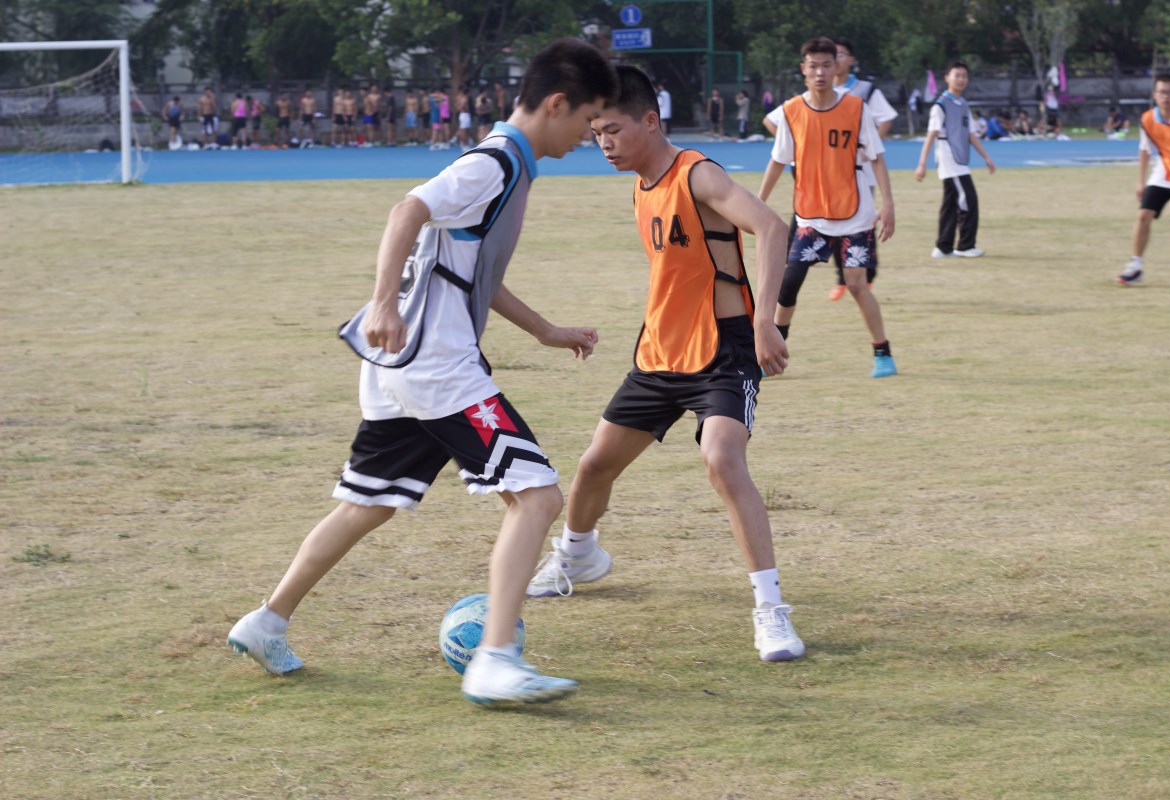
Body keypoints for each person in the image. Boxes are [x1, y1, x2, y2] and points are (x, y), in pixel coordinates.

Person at [226, 39, 618, 706]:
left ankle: (266, 622)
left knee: (370, 501)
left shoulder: (506, 166)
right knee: (538, 497)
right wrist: (382, 302)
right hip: (437, 366)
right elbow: (407, 209)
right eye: (588, 120)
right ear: (556, 104)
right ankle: (495, 659)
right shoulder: (493, 164)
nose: (589, 134)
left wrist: (545, 330)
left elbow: (470, 271)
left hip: (401, 366)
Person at [525, 65, 805, 664]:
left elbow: (771, 226)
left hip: (722, 352)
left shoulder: (698, 173)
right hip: (660, 352)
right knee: (594, 466)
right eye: (596, 133)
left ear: (650, 121)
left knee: (722, 459)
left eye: (613, 130)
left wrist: (765, 324)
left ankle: (770, 610)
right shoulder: (640, 183)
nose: (603, 143)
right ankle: (578, 555)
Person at [758, 37, 898, 379]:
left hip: (856, 216)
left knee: (856, 285)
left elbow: (877, 157)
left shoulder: (856, 109)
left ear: (836, 68)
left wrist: (888, 203)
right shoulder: (792, 111)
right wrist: (757, 204)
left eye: (826, 65)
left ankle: (883, 353)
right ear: (803, 70)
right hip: (811, 217)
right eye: (813, 66)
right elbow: (777, 161)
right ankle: (773, 356)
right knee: (789, 283)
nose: (819, 72)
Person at [828, 36, 897, 301]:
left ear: (851, 60)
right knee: (834, 224)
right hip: (831, 173)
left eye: (841, 54)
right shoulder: (820, 90)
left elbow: (887, 117)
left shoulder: (865, 90)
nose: (836, 59)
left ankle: (867, 276)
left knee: (863, 225)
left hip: (860, 173)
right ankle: (842, 279)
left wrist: (870, 146)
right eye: (832, 54)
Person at [1116, 74, 1170, 288]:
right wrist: (1141, 182)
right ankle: (1135, 266)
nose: (1166, 97)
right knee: (1143, 215)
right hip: (1163, 175)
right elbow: (1145, 150)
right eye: (1162, 92)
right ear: (1154, 95)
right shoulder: (1148, 119)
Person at [915, 61, 996, 259]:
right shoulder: (941, 105)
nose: (961, 79)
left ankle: (943, 247)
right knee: (968, 199)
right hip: (949, 159)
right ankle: (965, 246)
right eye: (957, 75)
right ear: (947, 78)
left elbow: (971, 135)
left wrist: (986, 157)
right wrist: (922, 164)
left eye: (964, 76)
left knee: (950, 203)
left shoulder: (964, 104)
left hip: (960, 159)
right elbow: (931, 135)